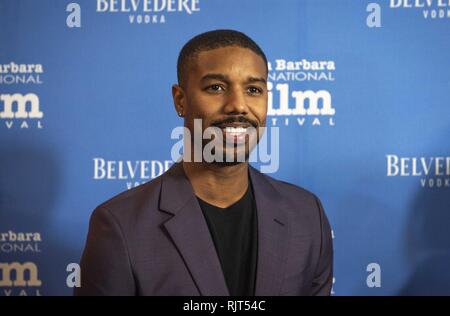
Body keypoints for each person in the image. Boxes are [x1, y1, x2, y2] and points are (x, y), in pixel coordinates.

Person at [75, 29, 333, 296]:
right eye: (216, 88)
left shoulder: (306, 215)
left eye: (253, 89)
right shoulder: (121, 225)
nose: (238, 106)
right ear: (180, 100)